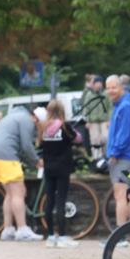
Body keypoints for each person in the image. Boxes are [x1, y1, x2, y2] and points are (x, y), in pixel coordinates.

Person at [0, 104, 43, 241]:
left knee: (10, 194)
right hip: (7, 157)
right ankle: (22, 229)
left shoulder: (12, 116)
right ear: (37, 119)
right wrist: (36, 161)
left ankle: (8, 230)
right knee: (19, 192)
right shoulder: (26, 120)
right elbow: (26, 145)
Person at [38, 98, 82, 248]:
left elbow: (41, 146)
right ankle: (62, 235)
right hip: (63, 168)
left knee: (49, 202)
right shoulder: (64, 127)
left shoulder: (43, 128)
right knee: (61, 201)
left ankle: (50, 236)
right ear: (62, 111)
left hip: (48, 168)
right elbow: (77, 140)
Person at [105, 74, 130, 234]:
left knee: (120, 194)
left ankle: (119, 235)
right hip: (126, 156)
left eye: (114, 87)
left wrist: (114, 153)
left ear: (121, 87)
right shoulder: (121, 105)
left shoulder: (125, 106)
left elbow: (124, 133)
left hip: (123, 157)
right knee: (127, 194)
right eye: (108, 88)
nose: (111, 91)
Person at [78, 74, 111, 157]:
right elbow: (86, 108)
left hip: (104, 120)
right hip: (93, 121)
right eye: (97, 83)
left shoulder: (106, 94)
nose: (99, 84)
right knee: (95, 140)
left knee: (106, 138)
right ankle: (96, 158)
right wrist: (87, 120)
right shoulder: (89, 94)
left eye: (100, 83)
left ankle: (107, 155)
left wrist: (109, 119)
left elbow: (110, 107)